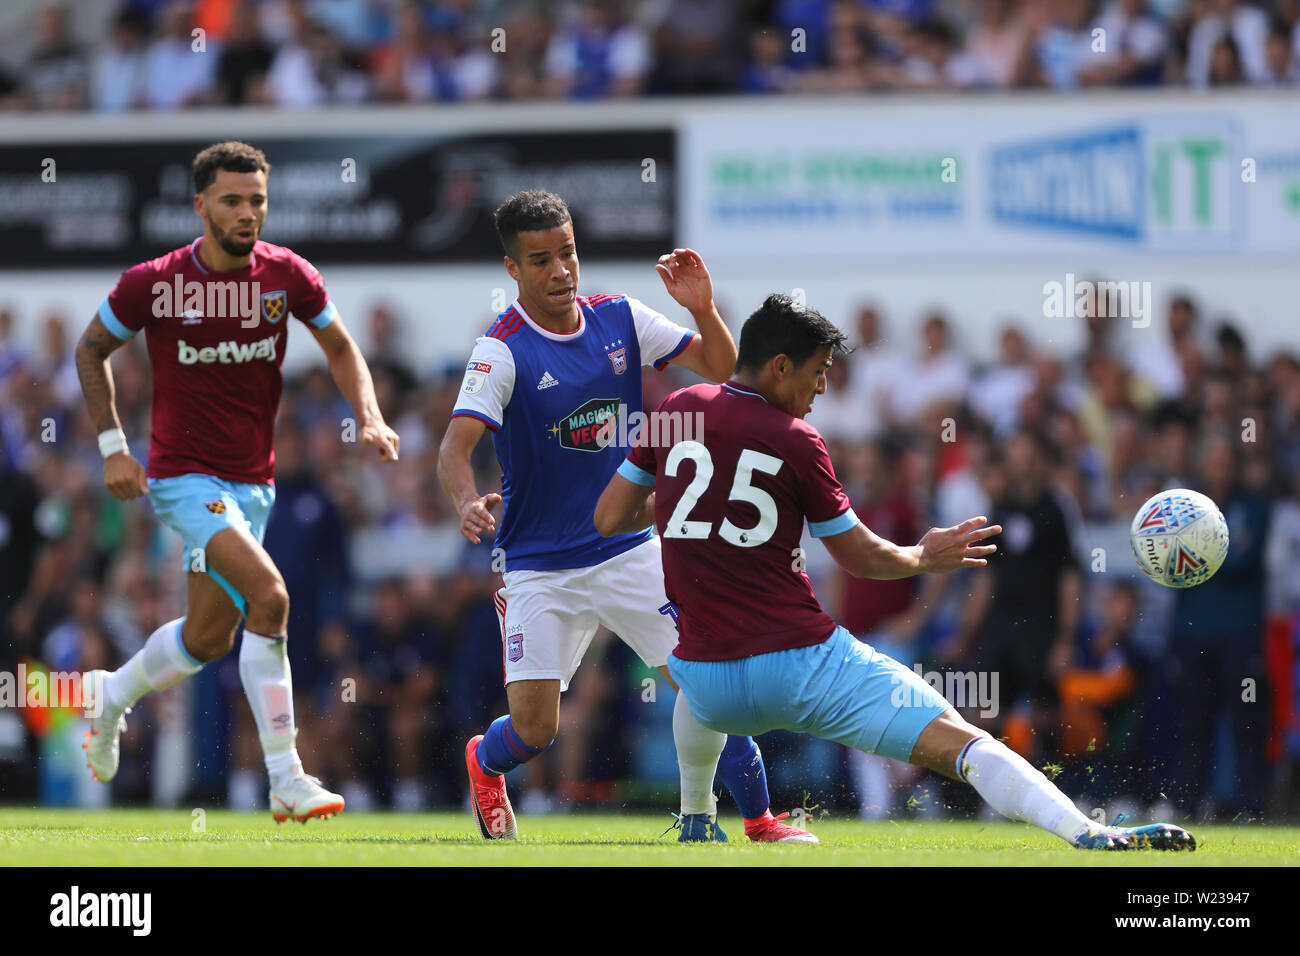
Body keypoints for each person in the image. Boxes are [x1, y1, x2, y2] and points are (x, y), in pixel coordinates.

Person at [594, 292, 1195, 851]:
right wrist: (921, 557)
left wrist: (675, 501)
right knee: (961, 740)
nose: (822, 388)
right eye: (818, 372)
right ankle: (1088, 833)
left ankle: (698, 818)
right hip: (801, 667)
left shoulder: (675, 410)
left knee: (690, 676)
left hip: (710, 685)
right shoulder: (799, 440)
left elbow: (609, 518)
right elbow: (860, 557)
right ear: (780, 366)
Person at [437, 190, 809, 843]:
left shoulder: (620, 319)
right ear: (513, 270)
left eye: (568, 253)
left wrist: (702, 309)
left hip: (629, 549)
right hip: (540, 565)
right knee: (536, 730)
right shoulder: (501, 351)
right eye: (541, 260)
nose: (561, 271)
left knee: (706, 681)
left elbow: (723, 369)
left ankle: (758, 819)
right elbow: (454, 446)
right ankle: (483, 764)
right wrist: (466, 500)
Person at [75, 141, 400, 823]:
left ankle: (110, 696)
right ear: (200, 206)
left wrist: (368, 415)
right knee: (270, 596)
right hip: (183, 480)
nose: (247, 212)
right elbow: (91, 348)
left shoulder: (289, 277)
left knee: (206, 639)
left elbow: (340, 346)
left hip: (253, 485)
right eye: (231, 200)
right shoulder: (156, 283)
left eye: (256, 200)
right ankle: (287, 776)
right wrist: (113, 448)